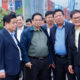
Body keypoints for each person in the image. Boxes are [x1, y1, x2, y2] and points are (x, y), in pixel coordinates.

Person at [20, 13, 50, 80]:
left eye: (40, 20)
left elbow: (49, 45)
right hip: (32, 62)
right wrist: (26, 61)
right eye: (36, 20)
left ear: (42, 21)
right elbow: (22, 47)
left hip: (45, 61)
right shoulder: (26, 32)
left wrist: (49, 60)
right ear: (32, 21)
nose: (38, 22)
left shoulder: (44, 31)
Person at [50, 9, 76, 80]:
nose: (58, 17)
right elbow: (51, 45)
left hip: (69, 59)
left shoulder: (71, 26)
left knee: (71, 77)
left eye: (60, 15)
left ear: (64, 16)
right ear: (54, 19)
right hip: (57, 60)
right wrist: (52, 60)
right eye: (56, 16)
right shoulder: (52, 29)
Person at [0, 12, 22, 80]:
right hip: (7, 72)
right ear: (6, 23)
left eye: (16, 22)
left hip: (15, 70)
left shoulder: (12, 34)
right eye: (13, 23)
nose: (16, 24)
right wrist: (1, 69)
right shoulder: (1, 35)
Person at [42, 11, 55, 80]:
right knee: (46, 75)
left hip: (56, 55)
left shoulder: (57, 27)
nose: (50, 19)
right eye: (48, 17)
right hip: (45, 55)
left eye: (51, 17)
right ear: (45, 18)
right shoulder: (42, 28)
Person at [68, 10, 80, 80]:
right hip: (77, 64)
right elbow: (71, 49)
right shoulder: (72, 32)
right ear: (71, 20)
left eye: (79, 17)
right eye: (74, 18)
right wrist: (70, 64)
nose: (77, 19)